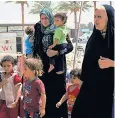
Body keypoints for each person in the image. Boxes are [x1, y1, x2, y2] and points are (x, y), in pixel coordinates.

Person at [71, 5, 114, 118]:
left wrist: (112, 63)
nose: (95, 20)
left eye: (99, 16)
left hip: (109, 91)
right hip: (90, 88)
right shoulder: (94, 38)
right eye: (94, 16)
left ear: (109, 18)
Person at [33, 8, 73, 118]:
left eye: (46, 18)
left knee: (58, 93)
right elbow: (35, 47)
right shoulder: (38, 27)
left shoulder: (59, 27)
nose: (44, 20)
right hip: (43, 69)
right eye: (42, 18)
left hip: (57, 69)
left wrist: (56, 52)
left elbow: (70, 47)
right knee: (43, 93)